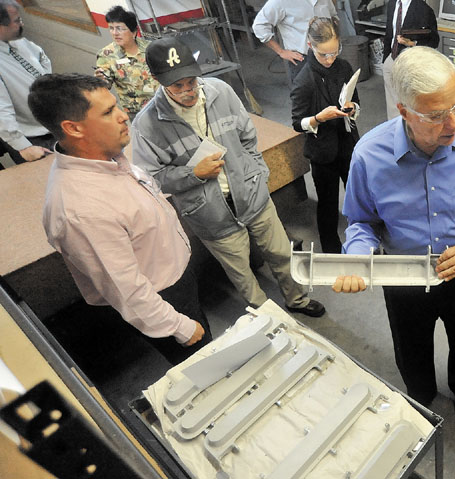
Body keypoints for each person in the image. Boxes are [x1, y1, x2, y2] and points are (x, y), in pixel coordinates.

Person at [333, 47, 455, 430]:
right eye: (436, 115)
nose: (453, 123)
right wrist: (357, 258)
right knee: (410, 346)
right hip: (403, 274)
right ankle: (419, 397)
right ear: (404, 111)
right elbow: (360, 221)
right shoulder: (370, 155)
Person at [131, 37, 325, 318]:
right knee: (241, 272)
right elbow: (151, 178)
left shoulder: (221, 92)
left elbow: (248, 136)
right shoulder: (147, 125)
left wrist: (255, 172)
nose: (188, 91)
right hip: (209, 212)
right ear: (159, 82)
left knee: (281, 253)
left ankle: (297, 299)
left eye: (191, 81)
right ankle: (270, 317)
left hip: (251, 194)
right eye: (178, 86)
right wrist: (193, 174)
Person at [34, 73, 210, 365]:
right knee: (204, 363)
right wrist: (180, 327)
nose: (123, 116)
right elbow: (125, 290)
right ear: (73, 128)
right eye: (107, 112)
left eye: (116, 106)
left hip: (175, 275)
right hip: (162, 299)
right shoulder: (80, 210)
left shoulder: (108, 158)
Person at [290, 17, 359, 253]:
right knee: (328, 204)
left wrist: (352, 109)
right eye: (324, 55)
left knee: (358, 197)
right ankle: (331, 249)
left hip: (348, 144)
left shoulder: (344, 67)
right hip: (323, 153)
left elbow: (356, 101)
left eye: (334, 52)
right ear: (310, 46)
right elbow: (297, 123)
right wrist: (319, 118)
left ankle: (363, 241)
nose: (330, 59)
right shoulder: (303, 80)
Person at [0, 0, 52, 169]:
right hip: (32, 140)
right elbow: (2, 112)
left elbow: (42, 56)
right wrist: (24, 147)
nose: (21, 24)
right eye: (16, 21)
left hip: (54, 124)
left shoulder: (19, 41)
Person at [251, 0, 337, 84]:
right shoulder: (280, 2)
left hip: (330, 55)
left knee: (336, 93)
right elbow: (259, 26)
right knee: (307, 96)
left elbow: (333, 17)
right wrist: (281, 51)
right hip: (302, 59)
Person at [95, 6, 158, 118]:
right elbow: (105, 84)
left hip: (162, 103)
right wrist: (101, 80)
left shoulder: (151, 47)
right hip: (137, 111)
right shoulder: (107, 55)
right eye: (111, 28)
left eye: (120, 28)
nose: (115, 33)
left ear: (133, 32)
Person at [382, 0, 439, 119]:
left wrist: (412, 43)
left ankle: (410, 130)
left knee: (408, 103)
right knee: (393, 103)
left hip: (409, 62)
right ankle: (394, 126)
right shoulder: (392, 4)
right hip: (391, 58)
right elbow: (389, 32)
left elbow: (434, 41)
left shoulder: (424, 10)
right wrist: (386, 58)